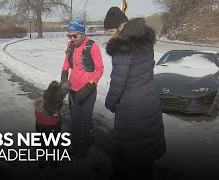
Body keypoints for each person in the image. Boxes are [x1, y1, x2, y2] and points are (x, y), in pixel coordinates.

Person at [104, 7, 166, 179]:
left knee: (128, 155)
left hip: (132, 106)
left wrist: (110, 102)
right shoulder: (144, 40)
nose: (109, 34)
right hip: (150, 98)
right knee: (146, 148)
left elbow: (118, 82)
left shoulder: (122, 46)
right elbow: (149, 67)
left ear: (120, 26)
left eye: (110, 30)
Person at [61, 18, 104, 158]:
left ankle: (85, 144)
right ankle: (75, 143)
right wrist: (64, 76)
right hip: (73, 89)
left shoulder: (92, 46)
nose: (72, 38)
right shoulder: (70, 46)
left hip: (88, 90)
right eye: (70, 35)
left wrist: (89, 86)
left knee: (85, 119)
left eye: (75, 35)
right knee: (75, 118)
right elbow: (66, 63)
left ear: (82, 33)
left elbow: (99, 69)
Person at [33, 80, 70, 169]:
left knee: (41, 142)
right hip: (51, 125)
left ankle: (42, 160)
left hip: (40, 124)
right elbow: (55, 108)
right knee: (54, 143)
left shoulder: (44, 99)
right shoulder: (57, 99)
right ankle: (53, 161)